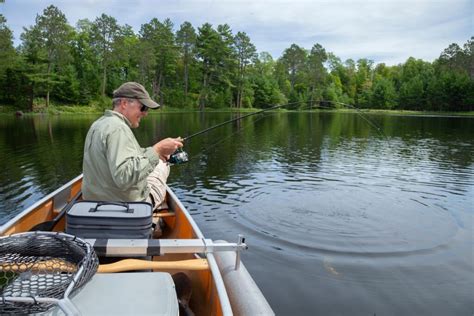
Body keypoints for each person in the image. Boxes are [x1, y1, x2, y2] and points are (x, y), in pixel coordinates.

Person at [82, 82, 183, 210]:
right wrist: (157, 151)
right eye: (143, 108)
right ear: (124, 104)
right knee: (162, 166)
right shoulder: (118, 129)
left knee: (156, 160)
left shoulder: (100, 124)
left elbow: (124, 156)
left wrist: (155, 151)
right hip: (129, 207)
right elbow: (124, 178)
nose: (145, 113)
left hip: (93, 204)